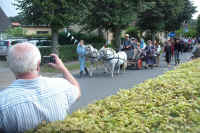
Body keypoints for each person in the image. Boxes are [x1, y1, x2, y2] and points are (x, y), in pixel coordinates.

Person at [0, 43, 81, 133]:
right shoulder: (61, 85)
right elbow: (77, 91)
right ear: (38, 64)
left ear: (11, 66)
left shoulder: (2, 102)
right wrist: (63, 68)